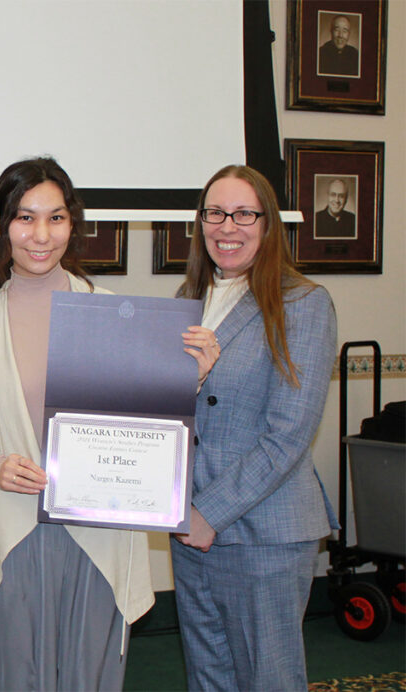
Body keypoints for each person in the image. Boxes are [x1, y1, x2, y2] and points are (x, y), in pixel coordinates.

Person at [0, 157, 217, 691]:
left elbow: (145, 426)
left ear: (73, 224)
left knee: (90, 676)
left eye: (56, 218)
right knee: (18, 675)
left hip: (102, 530)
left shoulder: (115, 314)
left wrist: (189, 381)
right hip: (14, 529)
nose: (41, 235)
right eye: (25, 218)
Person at [171, 165, 338, 691]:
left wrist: (209, 514)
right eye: (216, 213)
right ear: (201, 223)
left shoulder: (303, 304)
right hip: (189, 527)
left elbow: (289, 434)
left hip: (263, 533)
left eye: (245, 214)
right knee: (209, 678)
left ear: (268, 224)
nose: (228, 226)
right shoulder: (185, 301)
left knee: (269, 680)